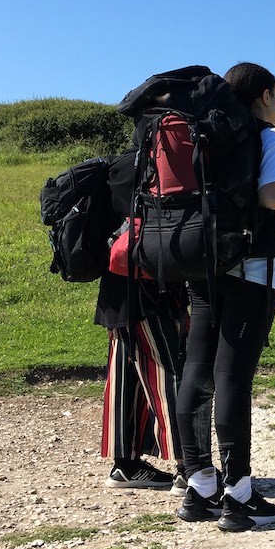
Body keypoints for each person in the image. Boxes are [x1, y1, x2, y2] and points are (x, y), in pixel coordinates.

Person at [174, 61, 275, 532]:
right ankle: (239, 494)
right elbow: (271, 196)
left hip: (202, 264)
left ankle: (199, 486)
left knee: (196, 368)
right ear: (266, 94)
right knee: (233, 375)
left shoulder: (204, 134)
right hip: (253, 268)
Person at [95, 152, 189, 491]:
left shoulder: (119, 166)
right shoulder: (163, 168)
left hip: (115, 288)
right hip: (152, 287)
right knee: (171, 370)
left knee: (126, 374)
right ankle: (188, 466)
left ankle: (126, 464)